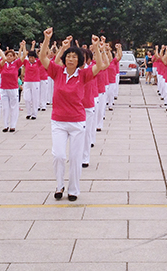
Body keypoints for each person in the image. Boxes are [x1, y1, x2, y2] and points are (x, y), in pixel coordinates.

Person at [39, 28, 107, 202]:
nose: (70, 59)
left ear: (79, 61)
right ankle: (59, 185)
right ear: (64, 59)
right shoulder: (57, 72)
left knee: (75, 158)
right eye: (68, 56)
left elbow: (99, 66)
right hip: (58, 122)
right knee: (59, 156)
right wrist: (47, 39)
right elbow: (43, 58)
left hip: (77, 122)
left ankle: (73, 190)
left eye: (74, 57)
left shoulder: (83, 75)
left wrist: (96, 47)